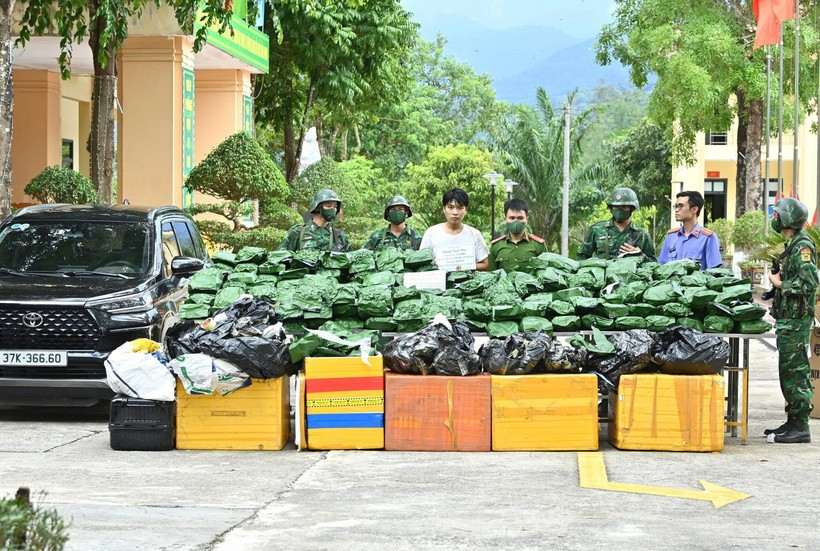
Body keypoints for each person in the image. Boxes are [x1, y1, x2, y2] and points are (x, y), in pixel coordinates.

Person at [765, 197, 817, 444]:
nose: (774, 219)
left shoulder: (802, 247)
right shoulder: (793, 245)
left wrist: (779, 283)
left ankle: (801, 426)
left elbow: (809, 284)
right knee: (788, 371)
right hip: (788, 321)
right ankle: (793, 421)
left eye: (777, 215)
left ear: (787, 219)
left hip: (797, 322)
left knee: (796, 373)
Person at [576, 187, 656, 261]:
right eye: (616, 207)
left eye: (624, 207)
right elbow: (581, 257)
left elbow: (654, 264)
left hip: (631, 275)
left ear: (632, 208)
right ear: (610, 208)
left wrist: (640, 255)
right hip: (604, 275)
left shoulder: (642, 234)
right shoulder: (596, 229)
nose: (619, 210)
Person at [419, 188, 489, 271]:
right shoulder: (431, 233)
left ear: (465, 210)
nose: (455, 212)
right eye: (450, 207)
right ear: (444, 209)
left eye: (460, 208)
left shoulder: (474, 234)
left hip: (468, 283)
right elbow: (421, 262)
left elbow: (485, 264)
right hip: (440, 282)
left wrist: (466, 266)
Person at [658, 190, 722, 270]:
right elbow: (662, 268)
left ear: (694, 209)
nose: (676, 210)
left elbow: (713, 273)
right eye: (676, 206)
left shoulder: (708, 238)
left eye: (680, 206)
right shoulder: (671, 237)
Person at [278, 189, 351, 252]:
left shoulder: (339, 236)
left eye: (335, 206)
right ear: (317, 208)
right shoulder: (297, 232)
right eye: (328, 206)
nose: (333, 209)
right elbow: (281, 259)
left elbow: (350, 262)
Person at [488, 198, 547, 272]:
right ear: (505, 219)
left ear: (527, 219)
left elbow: (545, 274)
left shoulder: (538, 245)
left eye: (520, 218)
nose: (516, 221)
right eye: (512, 218)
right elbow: (492, 275)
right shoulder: (496, 246)